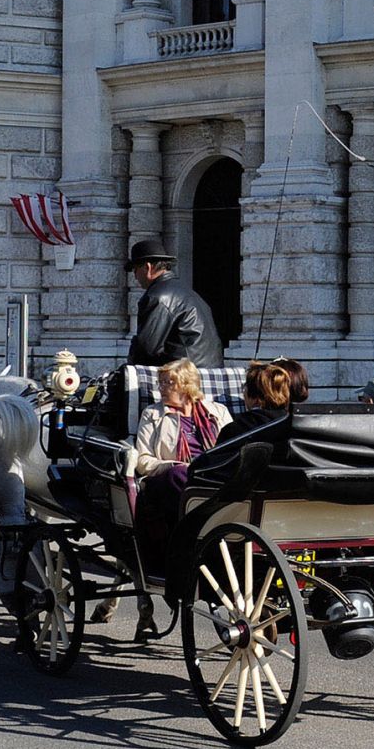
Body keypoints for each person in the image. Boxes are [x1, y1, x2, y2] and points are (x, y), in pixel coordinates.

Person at [131, 360, 234, 578]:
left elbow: (232, 450)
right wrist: (174, 465)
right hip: (168, 479)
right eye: (160, 383)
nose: (160, 388)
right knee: (181, 474)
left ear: (185, 384)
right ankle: (194, 535)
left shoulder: (218, 412)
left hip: (210, 476)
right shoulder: (153, 414)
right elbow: (143, 461)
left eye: (167, 383)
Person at [126, 238, 223, 368]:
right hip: (206, 373)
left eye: (135, 270)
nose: (135, 276)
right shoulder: (188, 292)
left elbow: (146, 350)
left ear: (147, 267)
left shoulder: (158, 296)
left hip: (183, 377)